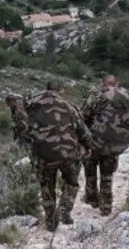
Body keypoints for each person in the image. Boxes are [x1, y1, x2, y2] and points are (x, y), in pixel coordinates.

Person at [23, 83, 86, 231]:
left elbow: (26, 133)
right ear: (60, 90)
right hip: (68, 154)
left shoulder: (34, 107)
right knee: (72, 183)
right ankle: (64, 210)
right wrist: (88, 145)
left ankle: (51, 222)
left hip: (43, 156)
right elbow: (82, 129)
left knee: (47, 187)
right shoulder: (69, 106)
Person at [80, 72, 129, 215]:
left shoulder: (97, 96)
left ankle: (92, 197)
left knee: (90, 166)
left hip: (96, 141)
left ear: (103, 84)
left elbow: (84, 115)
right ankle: (106, 207)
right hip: (116, 143)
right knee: (107, 175)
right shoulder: (128, 96)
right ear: (116, 83)